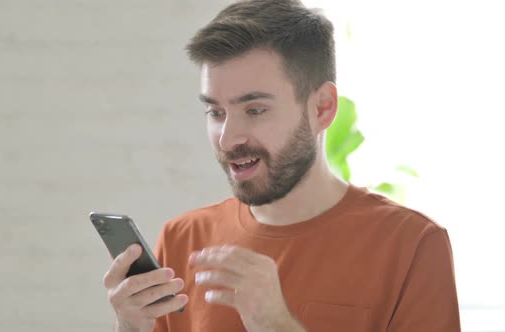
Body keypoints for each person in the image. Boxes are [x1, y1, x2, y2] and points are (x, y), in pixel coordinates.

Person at [102, 0, 461, 331]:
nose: (228, 139)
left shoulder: (412, 245)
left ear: (322, 108)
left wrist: (277, 324)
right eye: (215, 112)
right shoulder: (183, 239)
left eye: (255, 110)